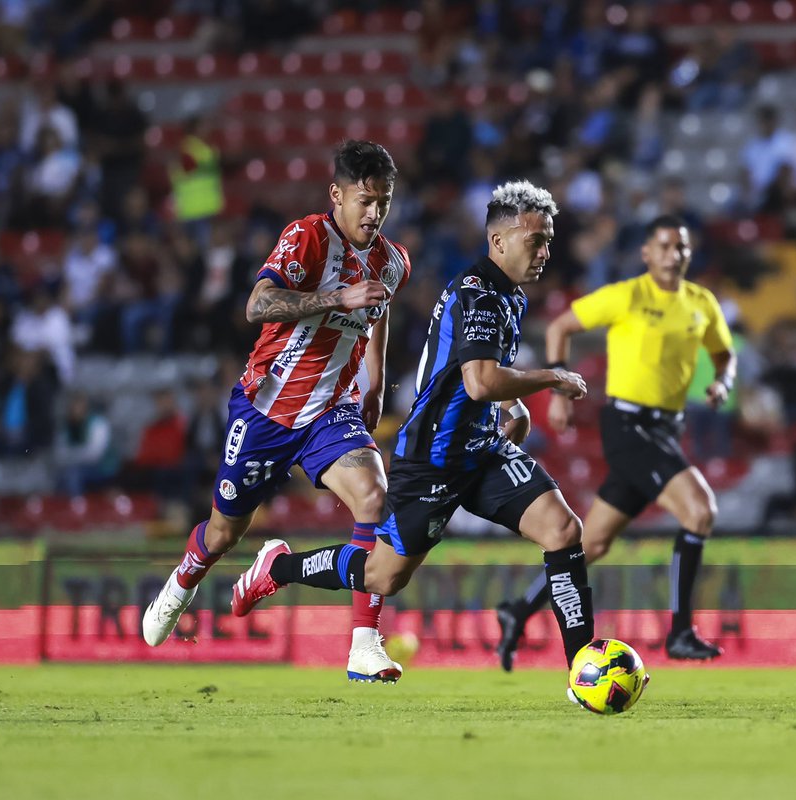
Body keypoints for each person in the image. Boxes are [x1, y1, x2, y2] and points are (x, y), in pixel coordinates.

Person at [229, 181, 596, 695]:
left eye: (549, 241)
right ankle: (281, 566)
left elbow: (468, 372)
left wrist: (510, 405)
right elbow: (480, 380)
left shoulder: (506, 295)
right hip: (433, 459)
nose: (545, 252)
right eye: (535, 241)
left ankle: (584, 667)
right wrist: (551, 378)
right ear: (499, 242)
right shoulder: (477, 293)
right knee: (383, 577)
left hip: (482, 448)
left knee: (562, 530)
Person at [141, 140, 412, 683]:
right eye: (364, 201)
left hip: (332, 412)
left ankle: (363, 643)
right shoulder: (308, 236)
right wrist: (336, 297)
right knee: (222, 534)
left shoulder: (394, 259)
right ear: (336, 194)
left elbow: (377, 311)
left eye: (383, 201)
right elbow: (257, 304)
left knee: (375, 497)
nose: (374, 213)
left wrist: (376, 385)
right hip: (266, 409)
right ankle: (181, 583)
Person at [496, 214, 737, 670]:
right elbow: (559, 327)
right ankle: (681, 632)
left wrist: (722, 382)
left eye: (681, 247)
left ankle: (518, 609)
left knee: (595, 543)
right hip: (627, 426)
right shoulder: (627, 295)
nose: (673, 254)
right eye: (664, 246)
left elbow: (725, 356)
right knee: (700, 509)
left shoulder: (702, 302)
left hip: (667, 429)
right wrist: (560, 389)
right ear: (646, 253)